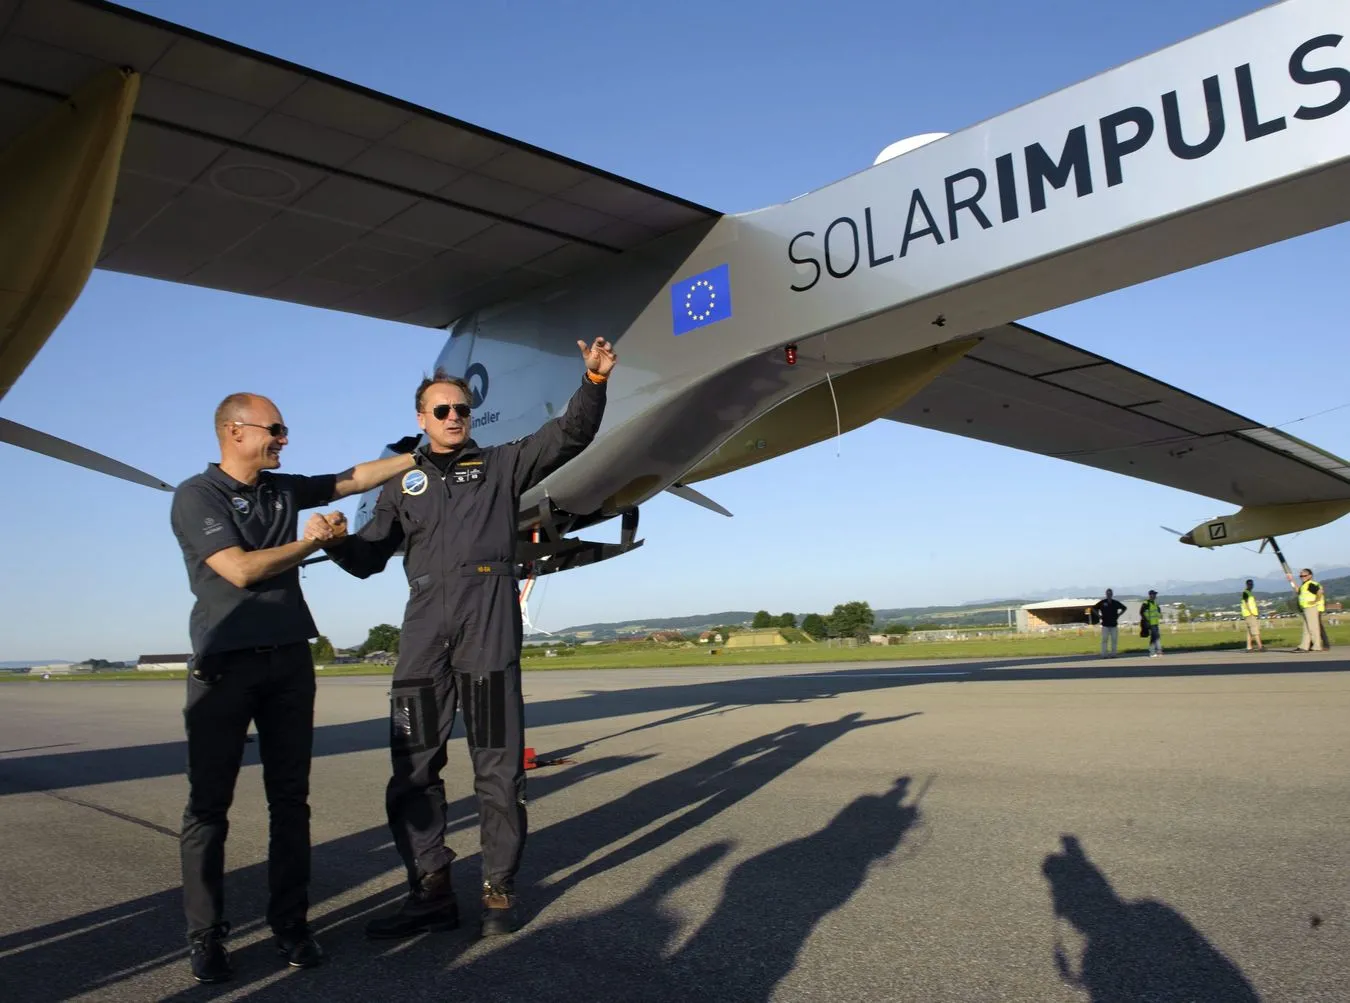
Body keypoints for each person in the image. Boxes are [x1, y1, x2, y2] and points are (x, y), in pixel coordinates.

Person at [311, 337, 616, 941]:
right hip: (425, 629)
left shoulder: (502, 464)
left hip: (487, 624)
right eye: (443, 410)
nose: (455, 417)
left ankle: (498, 889)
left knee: (498, 767)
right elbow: (368, 559)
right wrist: (337, 541)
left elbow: (569, 435)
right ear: (421, 419)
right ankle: (430, 889)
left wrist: (594, 383)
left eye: (462, 409)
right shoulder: (402, 481)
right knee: (413, 768)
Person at [169, 392, 418, 984]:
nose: (284, 439)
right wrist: (314, 541)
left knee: (290, 800)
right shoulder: (198, 495)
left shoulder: (281, 489)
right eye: (276, 429)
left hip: (288, 661)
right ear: (235, 431)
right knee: (209, 805)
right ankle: (206, 935)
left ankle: (292, 924)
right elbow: (240, 569)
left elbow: (350, 479)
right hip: (224, 667)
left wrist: (419, 456)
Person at [1296, 568, 1325, 651]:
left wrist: (1315, 600)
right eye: (1301, 576)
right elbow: (1298, 592)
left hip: (1311, 608)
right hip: (1306, 608)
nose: (1302, 577)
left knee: (1313, 628)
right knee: (1307, 628)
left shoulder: (1310, 584)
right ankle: (1304, 646)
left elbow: (1320, 591)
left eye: (1304, 575)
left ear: (1310, 576)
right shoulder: (1304, 585)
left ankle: (1317, 646)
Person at [1092, 589, 1127, 657]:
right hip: (1105, 624)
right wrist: (1099, 616)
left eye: (1110, 594)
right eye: (1108, 594)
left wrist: (1119, 615)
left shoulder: (1115, 602)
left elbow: (1124, 608)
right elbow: (1093, 608)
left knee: (1114, 640)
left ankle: (1113, 654)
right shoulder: (1102, 602)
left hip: (1114, 624)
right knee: (1104, 640)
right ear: (1106, 594)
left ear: (1112, 594)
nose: (1109, 595)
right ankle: (1104, 654)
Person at [1240, 579, 1263, 651]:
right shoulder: (1246, 592)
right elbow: (1246, 603)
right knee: (1255, 631)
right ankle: (1260, 646)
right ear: (1247, 585)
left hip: (1249, 614)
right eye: (1250, 584)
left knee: (1250, 632)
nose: (1251, 585)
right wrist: (1251, 612)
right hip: (1250, 615)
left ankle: (1249, 647)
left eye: (1252, 584)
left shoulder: (1249, 593)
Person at [1140, 590, 1163, 657]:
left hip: (1155, 622)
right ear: (1150, 595)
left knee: (1155, 637)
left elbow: (1158, 610)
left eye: (1155, 594)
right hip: (1150, 623)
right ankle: (1154, 652)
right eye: (1154, 594)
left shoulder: (1154, 603)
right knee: (1155, 637)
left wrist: (1159, 614)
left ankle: (1157, 651)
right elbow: (1141, 612)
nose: (1155, 596)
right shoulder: (1146, 603)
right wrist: (1146, 621)